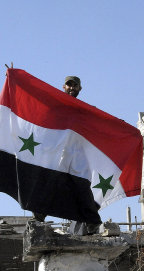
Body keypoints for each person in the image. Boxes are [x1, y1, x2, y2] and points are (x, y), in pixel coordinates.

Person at [31, 75, 83, 223]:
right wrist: (15, 79)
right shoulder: (56, 102)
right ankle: (38, 216)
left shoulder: (83, 110)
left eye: (75, 85)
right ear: (63, 87)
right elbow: (36, 98)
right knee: (50, 182)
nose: (72, 87)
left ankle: (89, 223)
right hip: (55, 151)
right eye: (69, 85)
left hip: (75, 153)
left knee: (81, 187)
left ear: (80, 88)